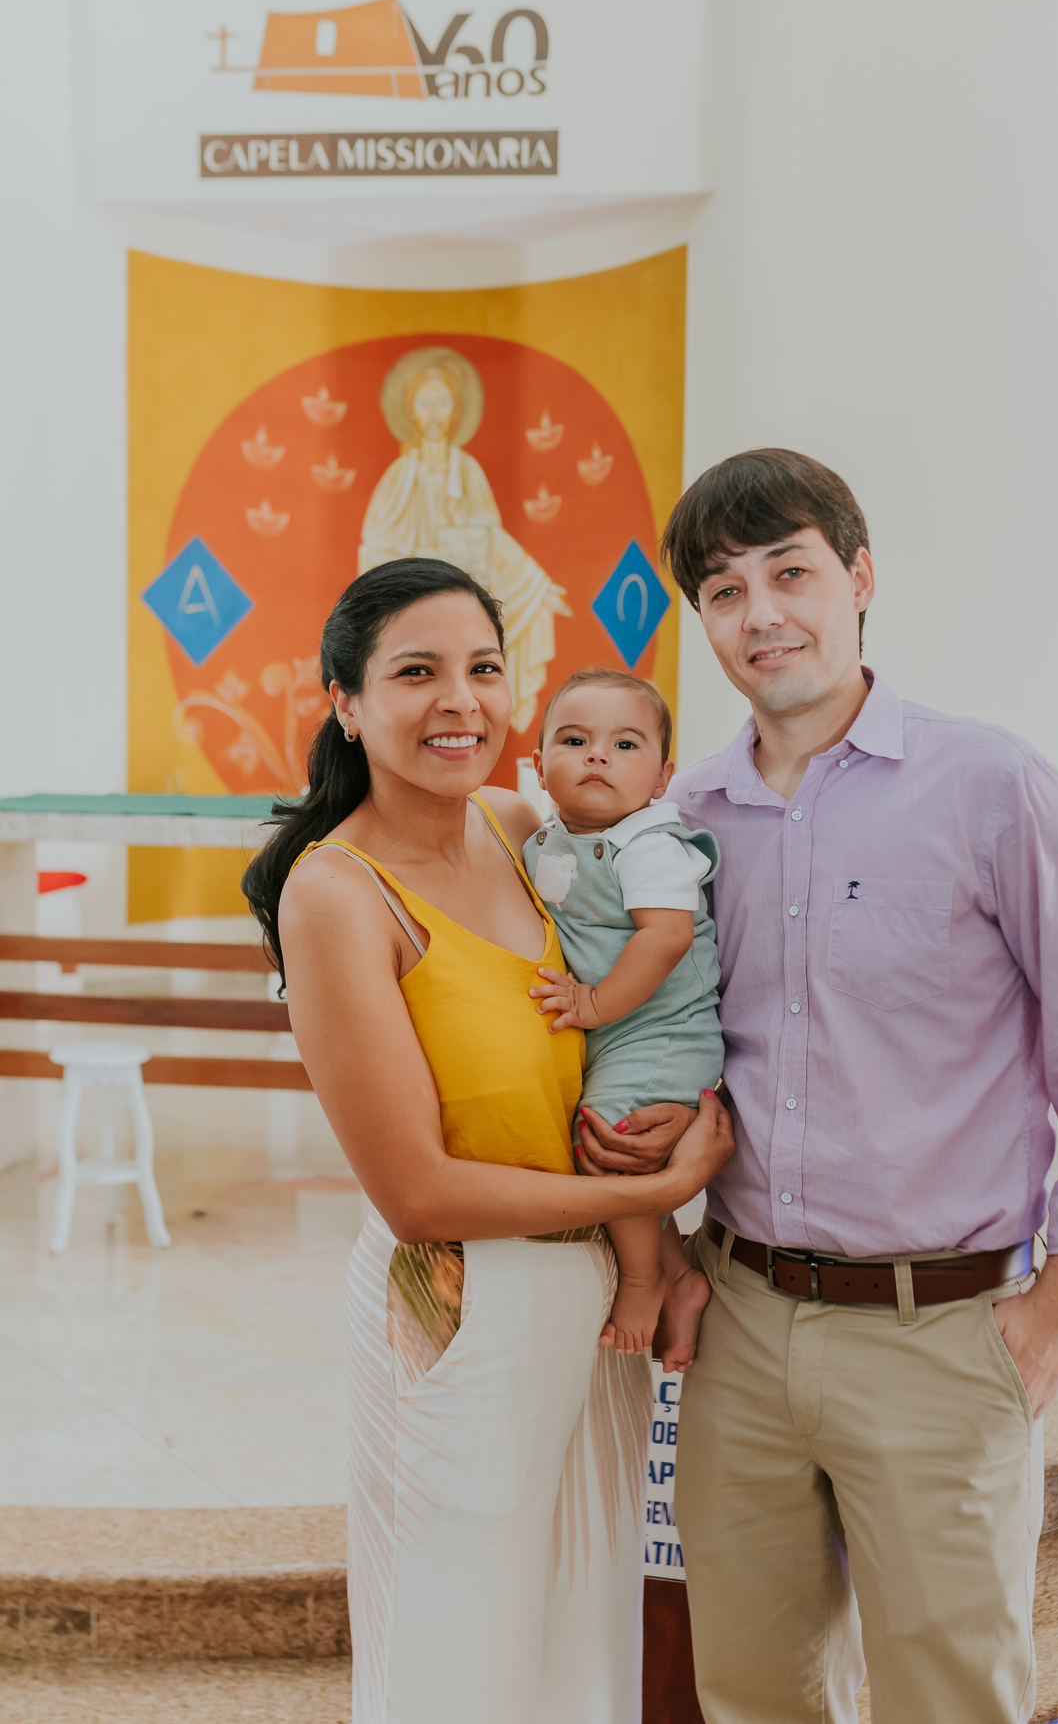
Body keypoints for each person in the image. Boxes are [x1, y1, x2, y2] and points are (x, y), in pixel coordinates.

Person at [576, 448, 1058, 1724]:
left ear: (858, 578)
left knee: (950, 1698)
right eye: (726, 591)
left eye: (790, 571)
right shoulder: (683, 823)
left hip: (943, 1332)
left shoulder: (993, 787)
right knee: (753, 1688)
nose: (761, 615)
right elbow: (671, 1032)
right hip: (740, 1318)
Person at [241, 557, 732, 1724]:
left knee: (582, 1647)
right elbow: (415, 1192)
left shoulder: (523, 827)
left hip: (601, 1296)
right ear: (348, 703)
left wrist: (688, 1135)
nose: (460, 700)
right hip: (468, 1304)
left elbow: (659, 991)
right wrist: (659, 1185)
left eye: (484, 668)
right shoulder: (338, 892)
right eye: (417, 672)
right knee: (458, 1661)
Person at [523, 667, 722, 1371]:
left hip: (665, 1030)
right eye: (575, 740)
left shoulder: (650, 846)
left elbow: (665, 938)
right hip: (619, 1030)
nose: (598, 756)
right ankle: (680, 1276)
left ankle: (643, 1279)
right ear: (539, 765)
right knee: (622, 1154)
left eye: (625, 745)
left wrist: (592, 1005)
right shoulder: (544, 840)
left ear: (663, 777)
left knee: (604, 1138)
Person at [357, 346, 570, 732]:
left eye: (443, 402)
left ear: (456, 410)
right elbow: (374, 547)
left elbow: (492, 539)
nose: (434, 412)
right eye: (425, 402)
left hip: (463, 606)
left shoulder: (468, 472)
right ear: (410, 412)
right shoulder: (400, 476)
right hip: (410, 613)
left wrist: (535, 583)